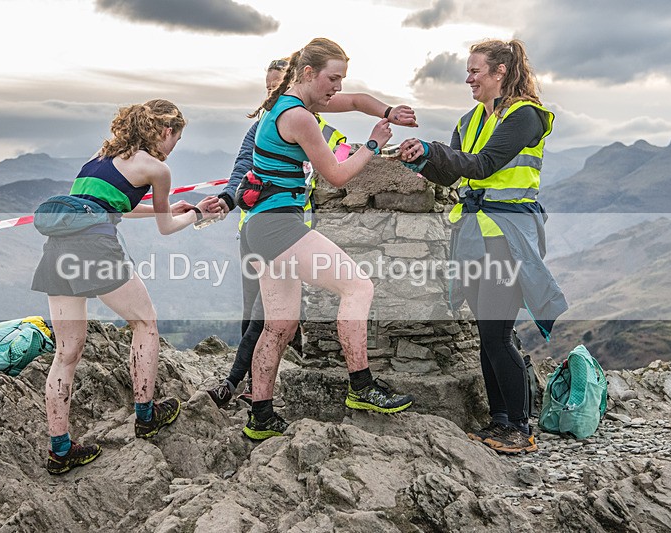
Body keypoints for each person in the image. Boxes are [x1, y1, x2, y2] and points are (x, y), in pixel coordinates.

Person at [208, 58, 418, 408]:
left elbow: (355, 100)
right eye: (332, 78)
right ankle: (362, 387)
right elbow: (336, 176)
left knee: (279, 326)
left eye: (341, 79)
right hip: (280, 226)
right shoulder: (300, 118)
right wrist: (374, 144)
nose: (337, 87)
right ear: (308, 73)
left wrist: (389, 110)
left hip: (261, 227)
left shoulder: (285, 105)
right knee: (358, 286)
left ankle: (261, 415)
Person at [31, 99, 222, 474]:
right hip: (95, 247)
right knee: (145, 322)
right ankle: (146, 415)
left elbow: (110, 204)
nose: (174, 148)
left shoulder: (99, 157)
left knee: (67, 352)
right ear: (166, 132)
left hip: (57, 247)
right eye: (176, 139)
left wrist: (165, 208)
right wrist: (198, 213)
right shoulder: (157, 167)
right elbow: (166, 229)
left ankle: (60, 450)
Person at [398, 39, 568, 454]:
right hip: (474, 235)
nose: (468, 78)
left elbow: (486, 164)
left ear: (501, 72)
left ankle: (520, 427)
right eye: (468, 71)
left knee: (496, 333)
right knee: (488, 333)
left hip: (507, 236)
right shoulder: (470, 119)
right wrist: (421, 160)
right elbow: (455, 176)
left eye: (476, 70)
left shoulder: (525, 116)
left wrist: (434, 150)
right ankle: (501, 420)